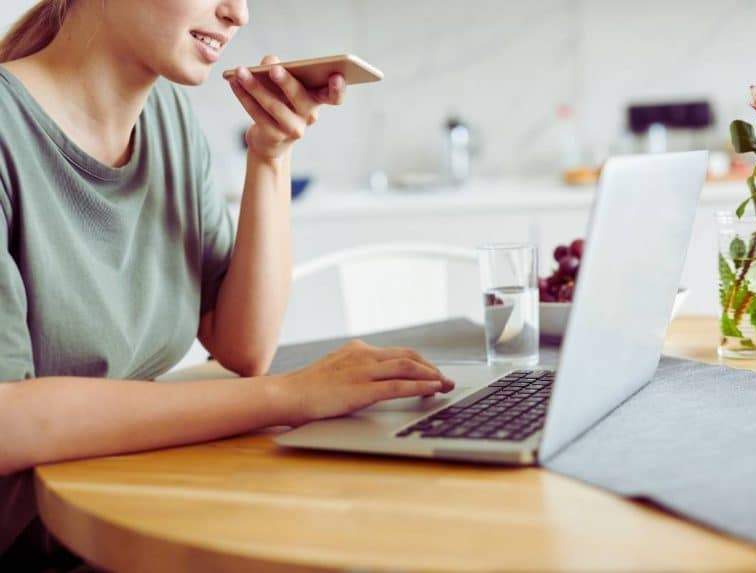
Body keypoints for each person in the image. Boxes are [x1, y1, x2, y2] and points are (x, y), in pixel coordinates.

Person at [0, 0, 455, 567]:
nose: (237, 12)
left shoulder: (168, 119)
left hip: (128, 503)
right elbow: (7, 422)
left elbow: (241, 345)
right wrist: (288, 396)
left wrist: (271, 155)